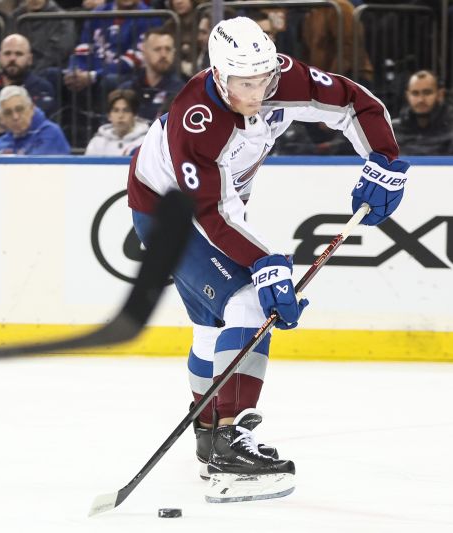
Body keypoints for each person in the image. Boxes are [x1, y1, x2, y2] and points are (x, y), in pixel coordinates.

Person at [127, 16, 408, 503]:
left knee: (212, 328)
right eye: (244, 83)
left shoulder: (280, 77)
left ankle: (208, 433)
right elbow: (210, 212)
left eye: (263, 80)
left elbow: (356, 103)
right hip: (168, 213)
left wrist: (384, 161)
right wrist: (267, 263)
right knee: (248, 302)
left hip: (217, 207)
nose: (257, 92)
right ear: (218, 74)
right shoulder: (197, 117)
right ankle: (228, 441)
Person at [0, 34, 57, 151]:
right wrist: (16, 118)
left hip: (31, 158)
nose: (12, 59)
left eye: (19, 54)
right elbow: (20, 120)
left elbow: (29, 123)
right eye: (7, 53)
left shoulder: (42, 87)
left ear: (30, 59)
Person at [391, 70, 453, 155]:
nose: (421, 99)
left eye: (427, 93)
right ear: (407, 96)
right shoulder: (393, 130)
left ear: (440, 95)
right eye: (415, 93)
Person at [118, 28, 184, 121]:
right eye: (157, 49)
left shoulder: (181, 92)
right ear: (144, 52)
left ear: (174, 52)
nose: (163, 55)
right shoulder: (127, 89)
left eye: (168, 49)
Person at [0, 85, 70, 154]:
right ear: (2, 118)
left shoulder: (50, 133)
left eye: (20, 109)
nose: (15, 117)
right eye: (8, 113)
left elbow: (34, 168)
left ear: (32, 108)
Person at [10, 0, 76, 73]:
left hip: (50, 69)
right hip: (22, 68)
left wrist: (35, 72)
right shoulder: (15, 16)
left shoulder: (63, 18)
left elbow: (62, 51)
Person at [85, 88, 148, 155]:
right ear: (109, 115)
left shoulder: (146, 141)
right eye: (116, 111)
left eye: (126, 110)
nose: (120, 116)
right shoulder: (97, 142)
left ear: (134, 115)